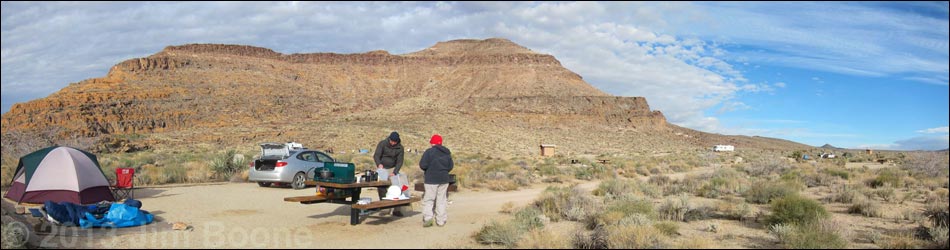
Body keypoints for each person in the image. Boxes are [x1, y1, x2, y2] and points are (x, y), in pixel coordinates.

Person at [420, 134, 453, 227]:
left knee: (429, 200)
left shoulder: (429, 152)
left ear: (432, 143)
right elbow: (450, 166)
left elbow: (423, 165)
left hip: (431, 179)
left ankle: (428, 219)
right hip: (444, 179)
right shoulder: (447, 152)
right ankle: (441, 221)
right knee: (441, 200)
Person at [373, 131, 405, 216]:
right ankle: (384, 207)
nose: (393, 143)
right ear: (389, 139)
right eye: (392, 141)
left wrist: (395, 172)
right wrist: (379, 164)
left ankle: (397, 209)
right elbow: (376, 155)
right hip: (382, 168)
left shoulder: (400, 148)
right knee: (381, 187)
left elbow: (400, 161)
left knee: (397, 188)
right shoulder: (382, 144)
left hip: (392, 168)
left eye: (395, 142)